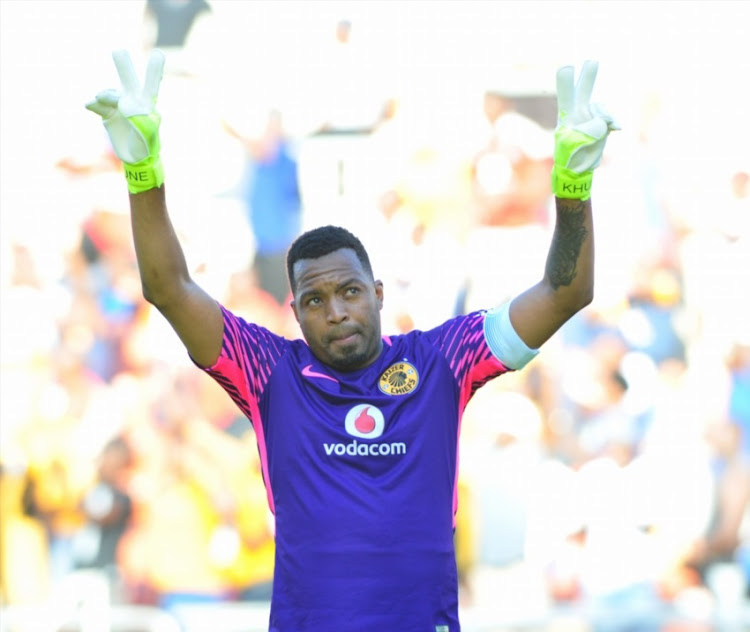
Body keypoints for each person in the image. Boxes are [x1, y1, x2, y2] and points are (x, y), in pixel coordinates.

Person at [86, 49, 617, 631]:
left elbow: (565, 293)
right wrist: (142, 172)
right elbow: (169, 289)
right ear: (294, 311)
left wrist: (571, 184)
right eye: (314, 300)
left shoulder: (442, 360)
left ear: (379, 293)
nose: (336, 311)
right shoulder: (269, 372)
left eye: (350, 292)